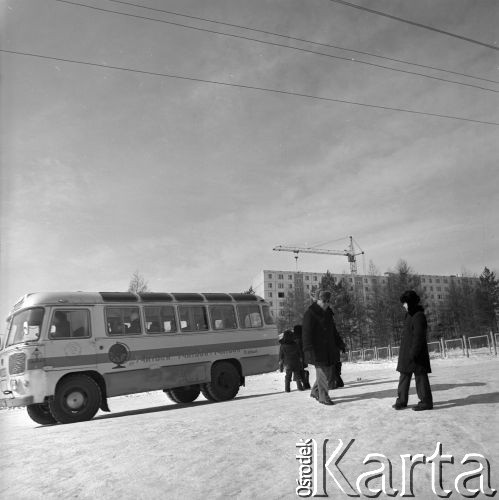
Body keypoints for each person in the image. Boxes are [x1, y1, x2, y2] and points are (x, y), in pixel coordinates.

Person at [393, 290, 434, 411]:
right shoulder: (409, 315)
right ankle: (401, 401)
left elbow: (419, 337)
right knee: (404, 377)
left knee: (420, 377)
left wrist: (414, 353)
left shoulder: (419, 316)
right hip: (406, 353)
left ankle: (426, 402)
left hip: (417, 354)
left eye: (405, 303)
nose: (403, 305)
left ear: (410, 303)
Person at [302, 289, 342, 406]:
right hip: (316, 350)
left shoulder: (329, 313)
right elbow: (306, 333)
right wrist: (307, 349)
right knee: (324, 373)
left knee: (328, 372)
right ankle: (323, 397)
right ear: (317, 300)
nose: (326, 303)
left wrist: (340, 343)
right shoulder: (310, 313)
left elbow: (333, 331)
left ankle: (315, 391)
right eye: (324, 301)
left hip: (329, 349)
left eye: (328, 301)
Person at [293, 324, 311, 390]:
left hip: (296, 358)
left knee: (297, 371)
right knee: (302, 371)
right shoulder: (302, 338)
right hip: (302, 357)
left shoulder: (293, 339)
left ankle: (300, 385)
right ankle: (306, 384)